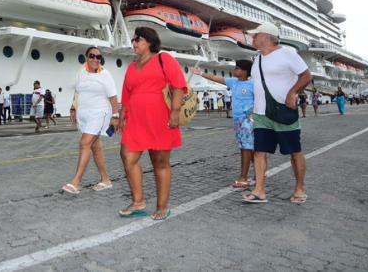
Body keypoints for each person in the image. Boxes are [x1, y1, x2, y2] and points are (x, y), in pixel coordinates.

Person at [115, 27, 186, 221]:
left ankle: (162, 206)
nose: (134, 43)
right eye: (133, 40)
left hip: (159, 117)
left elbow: (178, 85)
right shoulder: (131, 66)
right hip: (136, 119)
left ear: (150, 41)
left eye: (138, 39)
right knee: (127, 156)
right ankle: (138, 202)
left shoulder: (164, 59)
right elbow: (127, 95)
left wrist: (175, 111)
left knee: (160, 161)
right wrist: (121, 117)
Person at [241, 22, 311, 205]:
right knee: (259, 152)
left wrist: (292, 92)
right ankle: (259, 191)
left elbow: (306, 75)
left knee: (294, 151)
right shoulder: (258, 59)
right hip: (261, 114)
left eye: (255, 35)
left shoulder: (287, 53)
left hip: (283, 111)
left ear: (265, 36)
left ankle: (300, 189)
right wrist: (254, 108)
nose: (252, 38)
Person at [192, 59, 255, 190]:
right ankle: (260, 170)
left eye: (237, 68)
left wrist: (251, 112)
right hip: (237, 119)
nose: (234, 70)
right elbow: (216, 78)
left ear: (244, 71)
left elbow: (261, 99)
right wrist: (201, 73)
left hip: (247, 119)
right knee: (247, 146)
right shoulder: (234, 82)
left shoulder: (253, 84)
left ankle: (243, 178)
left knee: (244, 147)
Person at [62, 47, 117, 194]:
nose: (95, 59)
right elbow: (77, 91)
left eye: (99, 57)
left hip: (100, 113)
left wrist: (115, 117)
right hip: (84, 114)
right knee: (95, 146)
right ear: (86, 57)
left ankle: (76, 182)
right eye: (92, 56)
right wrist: (73, 108)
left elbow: (113, 97)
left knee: (84, 144)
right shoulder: (81, 72)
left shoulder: (105, 74)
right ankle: (105, 179)